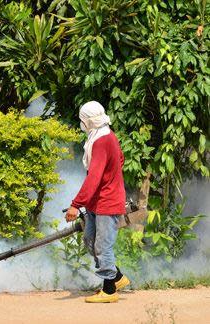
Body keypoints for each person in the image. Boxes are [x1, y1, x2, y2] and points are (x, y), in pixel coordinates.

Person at [65, 101, 130, 303]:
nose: (81, 123)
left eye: (83, 120)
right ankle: (117, 277)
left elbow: (94, 176)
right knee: (89, 240)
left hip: (107, 201)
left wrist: (76, 204)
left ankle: (109, 291)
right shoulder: (104, 135)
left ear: (90, 121)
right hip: (97, 200)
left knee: (102, 246)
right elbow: (120, 159)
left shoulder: (102, 140)